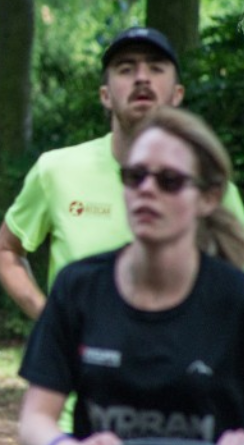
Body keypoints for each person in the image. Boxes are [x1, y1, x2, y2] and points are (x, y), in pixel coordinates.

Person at [17, 107, 244, 445]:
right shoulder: (79, 286)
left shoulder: (235, 297)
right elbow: (35, 418)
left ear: (208, 198)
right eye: (135, 176)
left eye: (169, 181)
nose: (147, 189)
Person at [0, 27, 244, 321]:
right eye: (126, 69)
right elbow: (5, 251)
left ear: (177, 95)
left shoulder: (206, 185)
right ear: (105, 95)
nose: (142, 77)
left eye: (155, 68)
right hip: (82, 364)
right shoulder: (57, 170)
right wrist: (51, 322)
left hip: (176, 361)